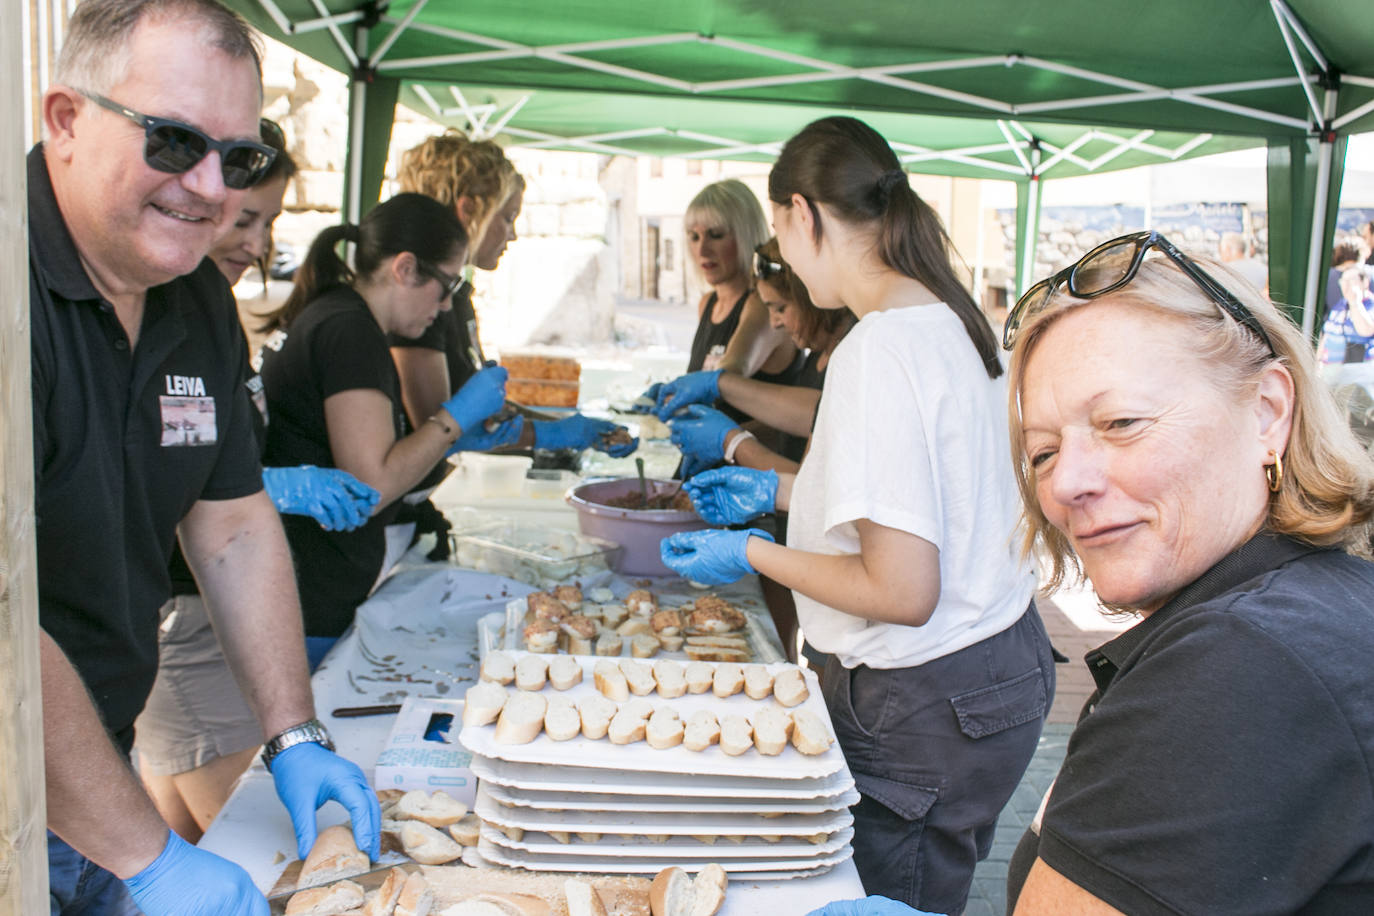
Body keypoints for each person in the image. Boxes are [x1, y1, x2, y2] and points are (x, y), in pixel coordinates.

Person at [819, 230, 1374, 915]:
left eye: (1120, 422)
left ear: (1267, 413)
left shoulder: (1240, 666)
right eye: (1043, 452)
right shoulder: (1322, 599)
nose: (1066, 485)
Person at [660, 116, 1054, 916]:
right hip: (995, 670)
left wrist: (753, 553)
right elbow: (930, 504)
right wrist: (778, 495)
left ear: (803, 214)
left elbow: (902, 587)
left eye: (779, 231)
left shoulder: (880, 349)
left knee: (893, 894)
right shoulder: (951, 320)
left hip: (923, 697)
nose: (788, 260)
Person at [34, 2, 378, 913]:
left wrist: (294, 736)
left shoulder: (193, 301)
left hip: (91, 758)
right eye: (175, 141)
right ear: (66, 120)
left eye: (242, 158)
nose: (211, 189)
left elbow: (228, 526)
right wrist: (151, 857)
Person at [134, 124, 380, 844]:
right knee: (265, 855)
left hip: (208, 621)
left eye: (269, 223)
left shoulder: (209, 315)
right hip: (183, 624)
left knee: (193, 848)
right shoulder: (155, 315)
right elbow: (166, 481)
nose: (256, 242)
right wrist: (278, 486)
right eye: (246, 220)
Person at [258, 193, 517, 643]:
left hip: (314, 580)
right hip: (309, 589)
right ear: (405, 269)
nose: (443, 309)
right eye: (448, 287)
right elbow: (373, 483)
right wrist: (453, 420)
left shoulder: (341, 313)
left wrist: (455, 438)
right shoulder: (349, 330)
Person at [389, 130, 635, 463]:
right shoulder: (422, 301)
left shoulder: (453, 295)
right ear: (468, 212)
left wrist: (569, 427)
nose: (513, 234)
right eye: (507, 218)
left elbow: (483, 415)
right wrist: (556, 434)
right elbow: (436, 431)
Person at [662, 237, 855, 477]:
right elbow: (797, 432)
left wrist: (731, 442)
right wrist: (723, 439)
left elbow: (810, 480)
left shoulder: (852, 356)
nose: (774, 322)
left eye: (780, 308)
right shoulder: (817, 353)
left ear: (809, 296)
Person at [1318, 258, 1374, 397]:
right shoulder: (1340, 305)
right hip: (1331, 371)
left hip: (1358, 377)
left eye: (1351, 281)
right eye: (1343, 281)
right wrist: (1318, 360)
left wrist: (1355, 302)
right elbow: (1328, 332)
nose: (1346, 286)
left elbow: (1366, 331)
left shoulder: (1369, 305)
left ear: (1364, 282)